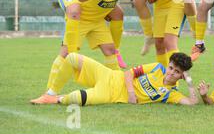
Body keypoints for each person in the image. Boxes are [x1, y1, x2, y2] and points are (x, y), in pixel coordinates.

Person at [45, 0, 129, 98]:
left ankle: (119, 89)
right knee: (65, 54)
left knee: (110, 51)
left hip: (97, 22)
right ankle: (49, 93)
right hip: (82, 21)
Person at [31, 52, 198, 106]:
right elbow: (128, 73)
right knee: (73, 58)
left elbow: (192, 103)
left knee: (77, 98)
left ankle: (52, 100)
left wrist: (189, 81)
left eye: (176, 72)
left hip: (111, 95)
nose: (170, 73)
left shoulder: (171, 94)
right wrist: (132, 93)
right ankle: (50, 92)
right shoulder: (157, 68)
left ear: (181, 76)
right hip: (110, 75)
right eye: (170, 67)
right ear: (167, 64)